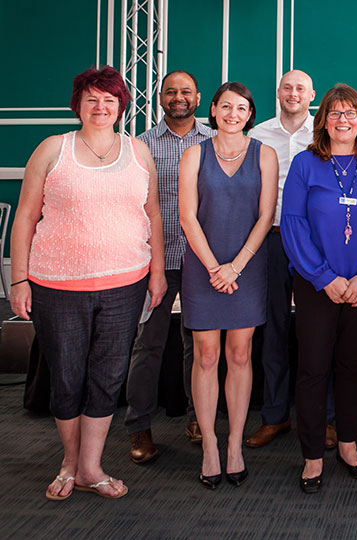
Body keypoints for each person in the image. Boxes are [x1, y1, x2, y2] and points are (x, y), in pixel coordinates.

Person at [10, 66, 166, 500]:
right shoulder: (51, 149)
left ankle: (91, 467)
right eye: (92, 99)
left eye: (110, 100)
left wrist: (155, 272)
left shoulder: (138, 152)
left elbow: (151, 214)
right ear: (77, 104)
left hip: (126, 283)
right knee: (66, 375)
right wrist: (19, 279)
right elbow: (25, 216)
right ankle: (68, 461)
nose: (101, 107)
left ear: (121, 108)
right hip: (56, 285)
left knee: (108, 375)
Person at [281, 83, 357, 494]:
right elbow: (293, 224)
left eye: (351, 113)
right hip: (317, 286)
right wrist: (323, 277)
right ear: (323, 121)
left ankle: (347, 444)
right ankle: (313, 455)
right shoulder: (304, 164)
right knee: (313, 370)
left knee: (353, 366)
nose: (343, 120)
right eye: (335, 113)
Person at [179, 81, 279, 490]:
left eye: (241, 108)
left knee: (240, 355)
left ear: (249, 113)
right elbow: (188, 217)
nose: (233, 114)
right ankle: (210, 447)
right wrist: (215, 267)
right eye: (226, 106)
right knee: (205, 355)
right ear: (214, 110)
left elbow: (265, 215)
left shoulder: (265, 154)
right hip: (203, 267)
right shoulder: (193, 154)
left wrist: (235, 267)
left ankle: (235, 444)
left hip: (248, 266)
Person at [125, 70, 214, 464]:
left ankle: (199, 419)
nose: (178, 97)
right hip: (155, 261)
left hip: (203, 260)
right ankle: (138, 425)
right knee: (149, 344)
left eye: (185, 92)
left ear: (198, 98)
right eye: (170, 91)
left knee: (200, 347)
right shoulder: (139, 146)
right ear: (160, 98)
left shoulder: (217, 141)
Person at [243, 69, 317, 449]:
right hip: (270, 240)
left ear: (311, 95)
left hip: (313, 244)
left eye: (300, 88)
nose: (293, 93)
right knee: (272, 331)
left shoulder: (324, 133)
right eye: (287, 87)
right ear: (278, 93)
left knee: (316, 333)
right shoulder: (258, 135)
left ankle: (321, 417)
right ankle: (274, 416)